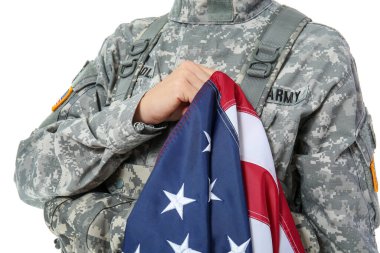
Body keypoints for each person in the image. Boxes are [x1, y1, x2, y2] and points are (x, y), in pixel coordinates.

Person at [14, 0, 379, 252]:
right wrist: (138, 113)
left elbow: (344, 241)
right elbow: (31, 173)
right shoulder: (128, 45)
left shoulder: (317, 54)